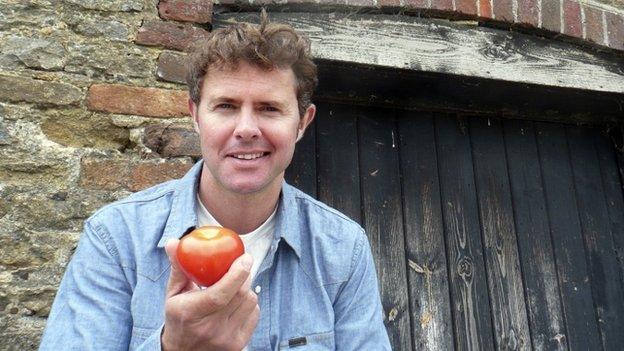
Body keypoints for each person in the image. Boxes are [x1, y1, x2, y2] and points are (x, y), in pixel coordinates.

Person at [39, 11, 391, 351]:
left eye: (270, 108)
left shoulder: (344, 249)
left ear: (302, 123)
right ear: (195, 115)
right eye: (225, 106)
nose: (247, 129)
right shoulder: (116, 237)